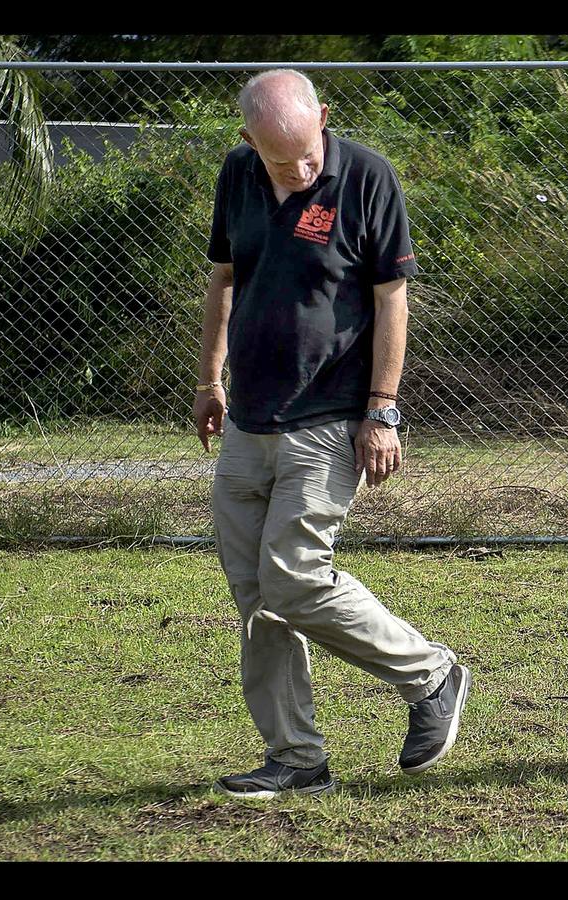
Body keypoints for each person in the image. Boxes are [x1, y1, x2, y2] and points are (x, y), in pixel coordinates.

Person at [193, 69, 470, 799]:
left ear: (323, 116)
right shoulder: (237, 175)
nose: (299, 171)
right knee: (256, 598)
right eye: (281, 162)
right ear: (247, 138)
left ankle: (430, 672)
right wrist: (208, 379)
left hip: (328, 418)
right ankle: (297, 758)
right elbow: (224, 277)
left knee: (294, 579)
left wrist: (382, 408)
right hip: (248, 420)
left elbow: (391, 297)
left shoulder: (369, 177)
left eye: (307, 153)